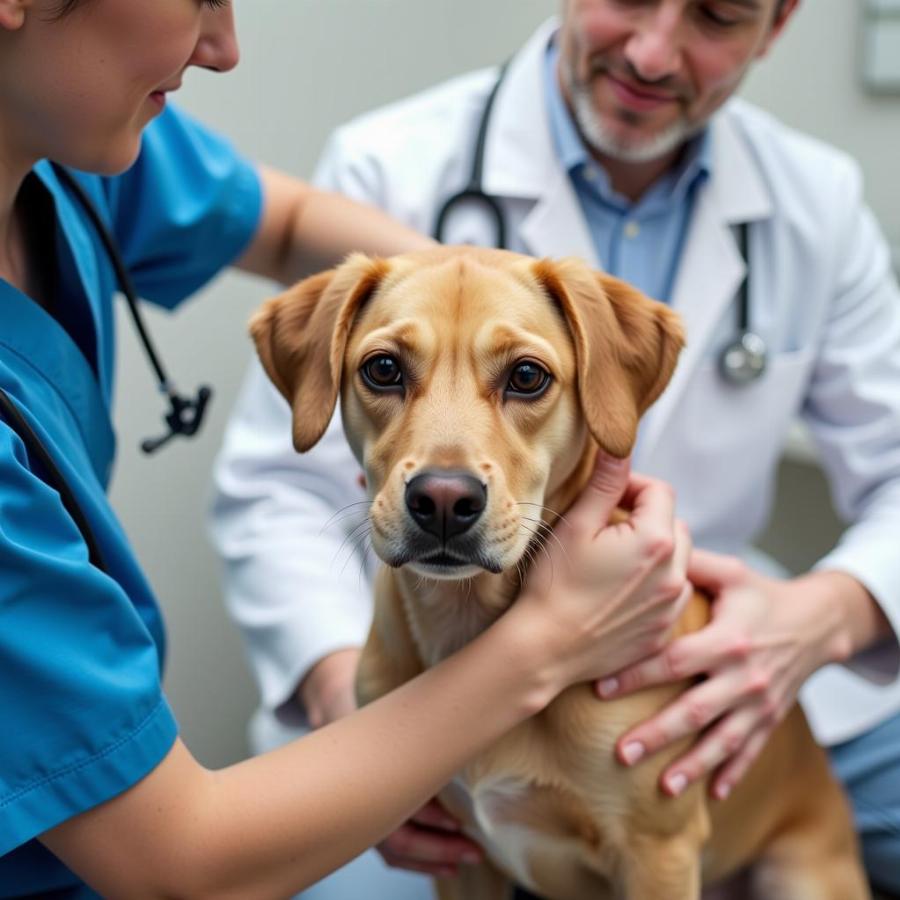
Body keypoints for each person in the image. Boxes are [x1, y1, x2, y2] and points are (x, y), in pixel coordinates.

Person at [0, 1, 698, 897]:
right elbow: (181, 867)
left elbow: (288, 223)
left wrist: (476, 305)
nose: (226, 47)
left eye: (524, 383)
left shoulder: (70, 146)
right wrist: (554, 635)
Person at [211, 0, 900, 896]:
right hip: (407, 679)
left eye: (718, 15)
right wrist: (360, 712)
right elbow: (275, 490)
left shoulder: (819, 200)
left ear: (776, 26)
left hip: (712, 674)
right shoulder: (390, 163)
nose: (654, 52)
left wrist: (818, 621)